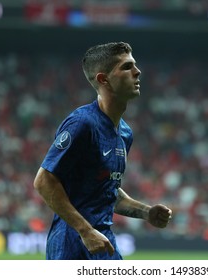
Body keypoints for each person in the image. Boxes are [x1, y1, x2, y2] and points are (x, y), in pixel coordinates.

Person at [33, 42, 172, 260]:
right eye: (127, 67)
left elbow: (108, 192)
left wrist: (146, 212)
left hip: (104, 241)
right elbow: (43, 180)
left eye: (134, 65)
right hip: (73, 243)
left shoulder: (125, 133)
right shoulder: (82, 124)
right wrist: (85, 231)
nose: (137, 71)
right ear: (103, 79)